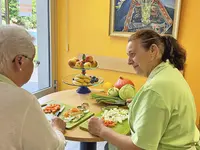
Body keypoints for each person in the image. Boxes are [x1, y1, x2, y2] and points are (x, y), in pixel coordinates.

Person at [88, 29, 200, 150]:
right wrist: (139, 104)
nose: (129, 61)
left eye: (133, 54)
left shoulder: (155, 89)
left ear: (153, 50)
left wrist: (101, 130)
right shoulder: (171, 72)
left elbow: (139, 147)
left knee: (109, 146)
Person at [0, 25, 66, 150]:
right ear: (20, 61)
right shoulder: (22, 100)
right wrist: (58, 130)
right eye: (34, 61)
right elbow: (51, 147)